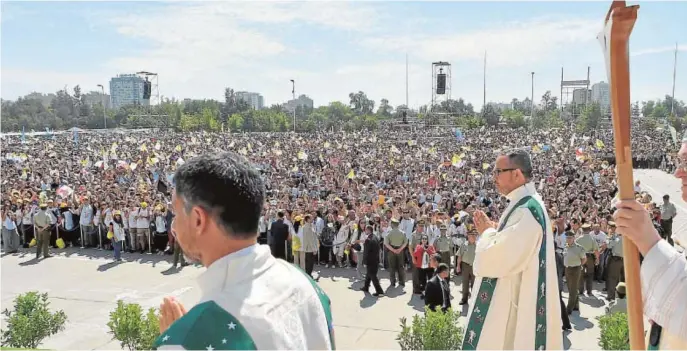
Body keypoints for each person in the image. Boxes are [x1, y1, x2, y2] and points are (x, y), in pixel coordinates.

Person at [155, 152, 334, 350]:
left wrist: (182, 339)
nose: (174, 226)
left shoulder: (190, 339)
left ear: (198, 219)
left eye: (177, 214)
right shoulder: (305, 282)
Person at [461, 150, 562, 350]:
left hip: (518, 303)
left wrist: (488, 231)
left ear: (517, 174)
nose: (494, 177)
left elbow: (498, 258)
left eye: (498, 171)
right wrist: (498, 230)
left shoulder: (527, 210)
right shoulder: (525, 203)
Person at [563, 231, 585, 316]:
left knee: (573, 289)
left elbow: (584, 259)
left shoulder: (579, 248)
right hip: (568, 269)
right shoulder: (565, 247)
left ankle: (568, 309)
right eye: (567, 238)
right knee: (571, 288)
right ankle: (576, 305)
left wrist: (579, 266)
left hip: (576, 269)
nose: (568, 239)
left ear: (573, 238)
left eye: (570, 238)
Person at [575, 223, 599, 296]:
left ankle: (581, 290)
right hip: (589, 257)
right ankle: (589, 291)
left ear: (582, 230)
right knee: (590, 274)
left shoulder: (578, 239)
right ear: (589, 229)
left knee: (580, 274)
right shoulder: (592, 239)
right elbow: (596, 250)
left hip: (581, 257)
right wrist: (597, 259)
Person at [360, 225, 384, 297]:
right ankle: (366, 287)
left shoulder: (368, 240)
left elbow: (366, 252)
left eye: (366, 230)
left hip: (370, 261)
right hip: (375, 260)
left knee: (373, 276)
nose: (365, 231)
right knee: (368, 274)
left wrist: (364, 262)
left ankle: (380, 291)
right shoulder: (375, 237)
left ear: (369, 230)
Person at [384, 218, 407, 289]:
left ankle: (393, 282)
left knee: (392, 267)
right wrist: (400, 249)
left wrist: (393, 250)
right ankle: (402, 282)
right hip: (400, 251)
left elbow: (386, 243)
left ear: (392, 225)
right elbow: (405, 243)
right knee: (401, 267)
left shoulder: (389, 233)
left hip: (391, 251)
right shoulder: (402, 233)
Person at [456, 231, 477, 305]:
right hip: (465, 266)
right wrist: (458, 266)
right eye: (472, 235)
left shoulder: (478, 245)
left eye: (475, 235)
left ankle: (474, 299)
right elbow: (459, 256)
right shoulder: (464, 245)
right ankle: (464, 299)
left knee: (475, 284)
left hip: (475, 266)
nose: (474, 237)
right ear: (468, 236)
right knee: (465, 282)